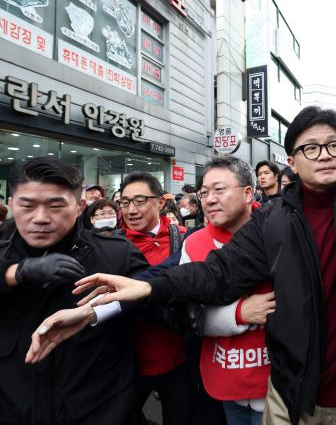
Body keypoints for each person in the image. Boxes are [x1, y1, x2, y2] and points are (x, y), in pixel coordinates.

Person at [31, 12, 336, 424]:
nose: (323, 154)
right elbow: (218, 273)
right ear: (291, 162)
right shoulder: (275, 218)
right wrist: (146, 286)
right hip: (291, 395)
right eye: (310, 147)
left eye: (333, 144)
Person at [0, 157, 148, 424]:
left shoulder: (117, 255)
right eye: (27, 205)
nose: (41, 218)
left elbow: (154, 301)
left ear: (81, 206)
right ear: (11, 205)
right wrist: (16, 273)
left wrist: (103, 308)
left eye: (56, 206)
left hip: (101, 412)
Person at [184, 156, 273, 425]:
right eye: (204, 192)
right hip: (224, 380)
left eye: (220, 190)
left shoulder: (280, 229)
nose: (210, 199)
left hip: (279, 384)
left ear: (248, 193)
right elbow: (188, 316)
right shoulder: (193, 243)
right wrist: (239, 314)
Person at [116, 172, 192, 425]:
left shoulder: (185, 239)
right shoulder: (110, 246)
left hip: (180, 359)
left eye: (139, 200)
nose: (131, 209)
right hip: (127, 363)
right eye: (125, 202)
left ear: (160, 203)